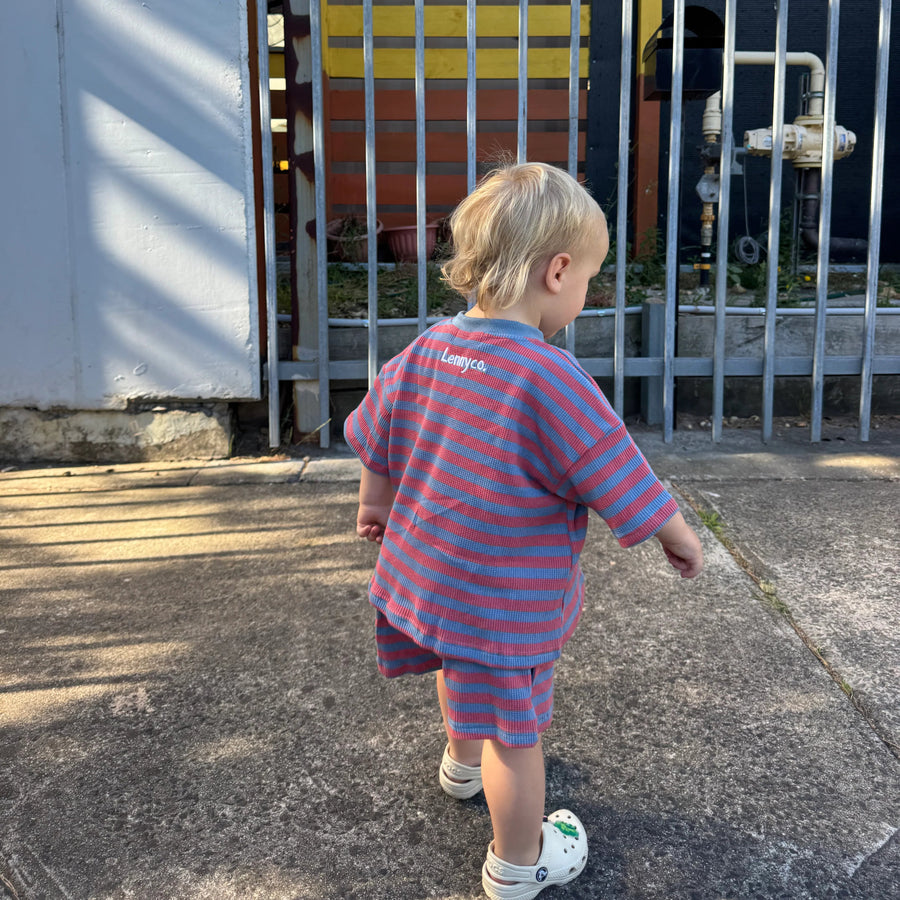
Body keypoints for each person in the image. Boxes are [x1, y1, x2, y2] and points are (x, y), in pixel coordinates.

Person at [344, 162, 704, 900]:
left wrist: (373, 505)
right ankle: (519, 862)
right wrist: (675, 533)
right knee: (516, 733)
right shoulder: (549, 377)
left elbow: (379, 433)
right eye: (588, 280)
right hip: (503, 597)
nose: (584, 294)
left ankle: (460, 765)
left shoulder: (428, 349)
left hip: (430, 574)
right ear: (557, 271)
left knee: (456, 661)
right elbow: (614, 466)